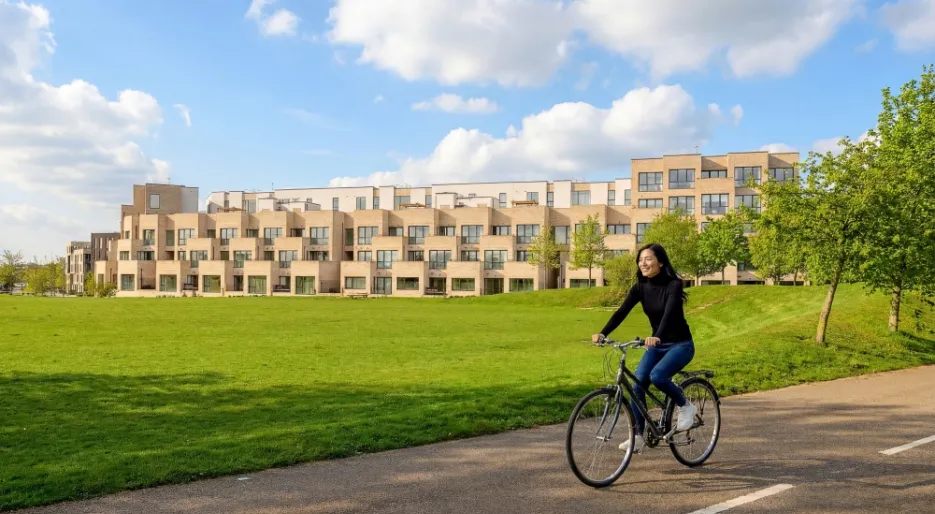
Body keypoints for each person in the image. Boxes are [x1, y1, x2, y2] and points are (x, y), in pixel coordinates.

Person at [592, 243, 696, 453]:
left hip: (680, 345)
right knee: (638, 386)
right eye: (640, 259)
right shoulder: (640, 288)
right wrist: (603, 333)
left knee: (657, 376)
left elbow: (668, 315)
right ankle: (638, 436)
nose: (643, 263)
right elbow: (621, 312)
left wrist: (656, 337)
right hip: (657, 345)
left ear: (661, 262)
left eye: (648, 259)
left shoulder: (674, 285)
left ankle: (686, 406)